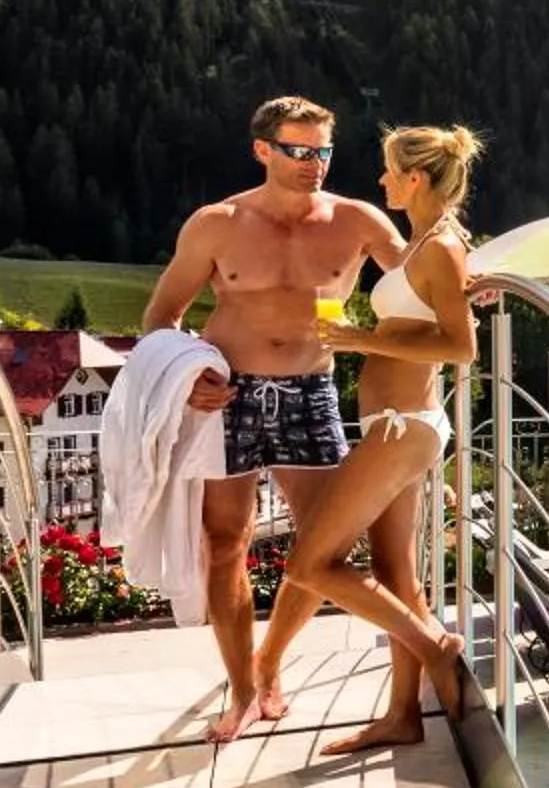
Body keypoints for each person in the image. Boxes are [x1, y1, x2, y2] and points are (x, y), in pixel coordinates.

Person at [141, 95, 403, 742]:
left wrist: (470, 275)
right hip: (227, 393)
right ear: (263, 150)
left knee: (323, 549)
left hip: (312, 391)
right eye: (299, 151)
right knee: (225, 542)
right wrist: (186, 374)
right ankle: (241, 690)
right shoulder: (217, 223)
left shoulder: (358, 221)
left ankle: (270, 662)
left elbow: (426, 272)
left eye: (323, 152)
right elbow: (161, 317)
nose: (314, 164)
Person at [251, 124, 485, 752]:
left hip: (402, 427)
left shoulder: (439, 247)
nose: (381, 181)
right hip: (399, 424)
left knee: (308, 562)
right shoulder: (427, 242)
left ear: (416, 179)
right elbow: (435, 314)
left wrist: (363, 340)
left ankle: (434, 646)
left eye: (388, 171)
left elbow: (461, 347)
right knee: (393, 572)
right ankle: (401, 717)